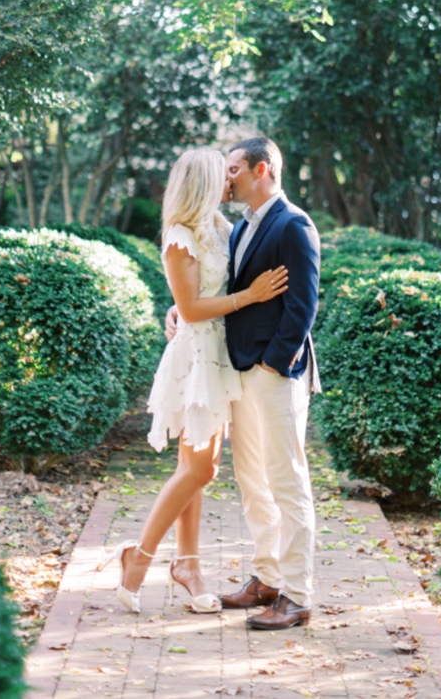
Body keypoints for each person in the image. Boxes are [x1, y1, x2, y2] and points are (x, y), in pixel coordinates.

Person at [102, 147, 289, 613]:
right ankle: (138, 560)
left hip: (220, 356)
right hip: (196, 359)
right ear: (204, 183)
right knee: (199, 468)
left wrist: (196, 304)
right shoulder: (179, 235)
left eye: (233, 173)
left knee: (196, 468)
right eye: (223, 175)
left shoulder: (223, 228)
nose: (231, 180)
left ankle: (188, 564)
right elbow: (189, 308)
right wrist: (246, 297)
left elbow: (203, 291)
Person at [162, 135, 322, 629]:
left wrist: (274, 363)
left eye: (234, 168)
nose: (226, 177)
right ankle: (266, 578)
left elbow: (303, 306)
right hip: (239, 373)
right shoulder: (239, 229)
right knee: (253, 482)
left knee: (287, 481)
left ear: (261, 170)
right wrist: (178, 310)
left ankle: (296, 595)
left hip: (275, 374)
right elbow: (222, 289)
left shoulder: (293, 224)